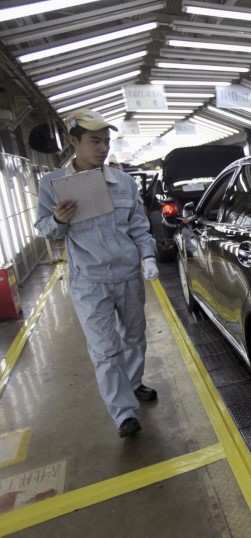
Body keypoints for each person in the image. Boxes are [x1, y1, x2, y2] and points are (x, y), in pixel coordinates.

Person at [35, 108, 159, 439]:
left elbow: (139, 225)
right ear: (73, 141)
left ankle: (133, 383)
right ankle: (124, 413)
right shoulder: (53, 186)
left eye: (106, 141)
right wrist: (58, 220)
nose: (103, 148)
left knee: (134, 336)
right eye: (94, 141)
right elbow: (45, 232)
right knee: (105, 348)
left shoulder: (124, 182)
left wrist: (147, 256)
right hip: (90, 282)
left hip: (128, 275)